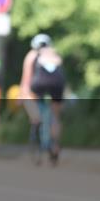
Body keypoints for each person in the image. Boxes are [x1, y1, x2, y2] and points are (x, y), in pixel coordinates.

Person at [19, 33, 66, 163]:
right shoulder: (55, 55)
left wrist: (22, 95)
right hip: (57, 87)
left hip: (39, 86)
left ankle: (36, 119)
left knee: (31, 101)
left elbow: (26, 79)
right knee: (55, 118)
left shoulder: (32, 55)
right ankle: (55, 146)